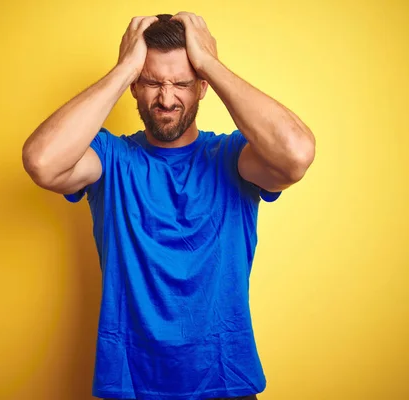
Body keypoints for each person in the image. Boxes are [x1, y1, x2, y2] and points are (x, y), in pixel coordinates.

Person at [22, 12, 315, 400]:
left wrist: (209, 61)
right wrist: (125, 67)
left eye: (181, 83)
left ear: (202, 87)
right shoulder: (110, 158)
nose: (165, 97)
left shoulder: (233, 158)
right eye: (149, 82)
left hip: (225, 382)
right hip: (131, 385)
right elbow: (42, 162)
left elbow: (295, 154)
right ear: (133, 86)